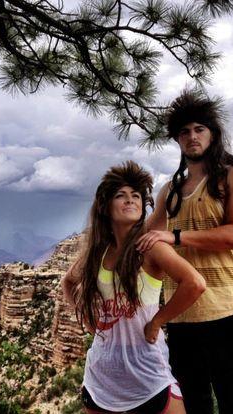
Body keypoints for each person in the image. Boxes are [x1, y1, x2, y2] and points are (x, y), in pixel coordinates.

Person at [136, 90, 233, 414]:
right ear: (177, 138)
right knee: (192, 406)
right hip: (182, 314)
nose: (192, 137)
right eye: (184, 131)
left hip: (227, 310)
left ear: (212, 134)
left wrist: (175, 236)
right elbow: (146, 237)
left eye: (199, 129)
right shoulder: (170, 191)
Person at [61, 160, 206, 414]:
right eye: (121, 195)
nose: (130, 200)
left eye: (136, 195)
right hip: (102, 378)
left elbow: (195, 284)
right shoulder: (98, 252)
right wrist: (86, 317)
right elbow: (69, 282)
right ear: (106, 207)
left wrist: (157, 321)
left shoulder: (150, 248)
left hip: (148, 373)